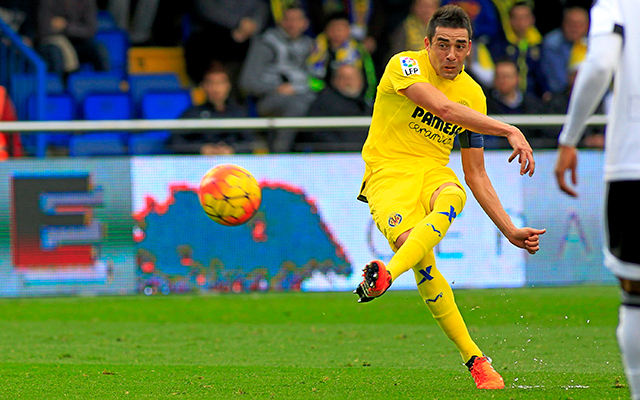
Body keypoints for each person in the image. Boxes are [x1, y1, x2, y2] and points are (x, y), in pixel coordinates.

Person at [353, 5, 545, 390]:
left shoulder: (473, 94)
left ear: (470, 48)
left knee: (454, 193)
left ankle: (387, 273)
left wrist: (508, 229)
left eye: (459, 46)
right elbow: (440, 107)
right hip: (388, 174)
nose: (451, 55)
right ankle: (474, 357)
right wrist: (508, 129)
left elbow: (474, 173)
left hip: (432, 172)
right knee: (419, 259)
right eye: (442, 45)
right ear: (427, 43)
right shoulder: (404, 65)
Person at [554, 0, 640, 398]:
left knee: (634, 293)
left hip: (632, 163)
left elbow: (601, 65)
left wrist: (570, 138)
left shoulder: (617, 5)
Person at [239, 4, 315, 153]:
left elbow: (318, 81)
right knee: (297, 106)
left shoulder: (311, 46)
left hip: (304, 95)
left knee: (320, 103)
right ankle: (280, 154)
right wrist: (276, 89)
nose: (293, 24)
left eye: (297, 19)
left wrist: (299, 87)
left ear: (305, 23)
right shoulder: (266, 43)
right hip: (269, 99)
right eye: (288, 19)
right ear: (280, 21)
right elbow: (246, 83)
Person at [170, 62, 257, 155]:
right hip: (200, 165)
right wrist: (201, 149)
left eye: (220, 83)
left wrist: (232, 149)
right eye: (211, 83)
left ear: (228, 86)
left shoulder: (239, 113)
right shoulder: (192, 113)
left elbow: (251, 143)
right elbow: (174, 142)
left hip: (232, 165)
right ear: (203, 86)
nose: (216, 89)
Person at [184, 0, 269, 85]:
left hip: (244, 37)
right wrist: (240, 23)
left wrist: (254, 23)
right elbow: (204, 7)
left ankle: (240, 88)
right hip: (209, 33)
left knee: (262, 44)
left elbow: (260, 7)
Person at [295, 64, 373, 151]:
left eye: (353, 78)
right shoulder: (323, 104)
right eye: (345, 78)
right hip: (334, 158)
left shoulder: (369, 106)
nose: (349, 82)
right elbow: (317, 135)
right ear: (335, 80)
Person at [308, 11, 377, 105]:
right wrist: (324, 92)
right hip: (322, 97)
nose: (338, 32)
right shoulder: (316, 49)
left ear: (349, 30)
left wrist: (367, 99)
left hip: (355, 98)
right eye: (334, 28)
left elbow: (370, 78)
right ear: (326, 30)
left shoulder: (358, 50)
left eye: (342, 28)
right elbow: (310, 77)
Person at [485, 1, 548, 99]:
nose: (521, 22)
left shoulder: (539, 45)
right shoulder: (498, 44)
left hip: (533, 99)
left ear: (532, 19)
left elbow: (542, 74)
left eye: (525, 17)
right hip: (504, 98)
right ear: (509, 20)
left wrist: (546, 92)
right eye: (516, 18)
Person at [485, 58, 546, 148]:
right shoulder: (486, 103)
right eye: (498, 76)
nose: (502, 80)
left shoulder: (532, 104)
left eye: (507, 76)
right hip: (495, 154)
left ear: (518, 78)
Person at [36, 0, 110, 75]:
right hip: (54, 43)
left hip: (78, 43)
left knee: (99, 49)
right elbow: (44, 29)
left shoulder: (87, 2)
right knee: (55, 52)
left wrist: (66, 26)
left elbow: (90, 31)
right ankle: (58, 85)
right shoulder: (48, 2)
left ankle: (105, 83)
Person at [540, 6, 589, 94]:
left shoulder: (593, 43)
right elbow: (557, 81)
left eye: (579, 25)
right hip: (560, 94)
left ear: (587, 26)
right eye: (571, 24)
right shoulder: (552, 43)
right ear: (563, 24)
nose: (575, 29)